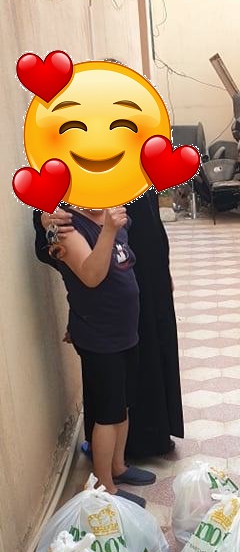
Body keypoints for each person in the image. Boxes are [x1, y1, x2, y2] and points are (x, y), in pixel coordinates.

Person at [35, 189, 184, 461]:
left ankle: (141, 446)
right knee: (110, 394)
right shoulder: (73, 207)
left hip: (140, 282)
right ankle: (109, 468)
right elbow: (65, 252)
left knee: (132, 383)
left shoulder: (132, 188)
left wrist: (163, 270)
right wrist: (48, 222)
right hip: (100, 302)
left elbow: (149, 223)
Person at [34, 205, 157, 507]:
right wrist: (110, 230)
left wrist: (111, 224)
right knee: (107, 414)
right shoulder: (64, 224)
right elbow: (91, 276)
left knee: (122, 405)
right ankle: (105, 487)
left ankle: (118, 467)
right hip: (99, 336)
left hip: (124, 330)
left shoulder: (108, 213)